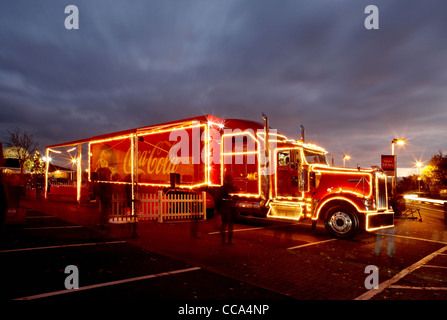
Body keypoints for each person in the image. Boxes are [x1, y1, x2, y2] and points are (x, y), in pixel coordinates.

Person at [216, 175, 238, 245]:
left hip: (225, 208)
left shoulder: (222, 188)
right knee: (229, 225)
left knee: (225, 225)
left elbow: (218, 199)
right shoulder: (232, 188)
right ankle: (229, 240)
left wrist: (218, 209)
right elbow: (236, 197)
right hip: (229, 208)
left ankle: (224, 240)